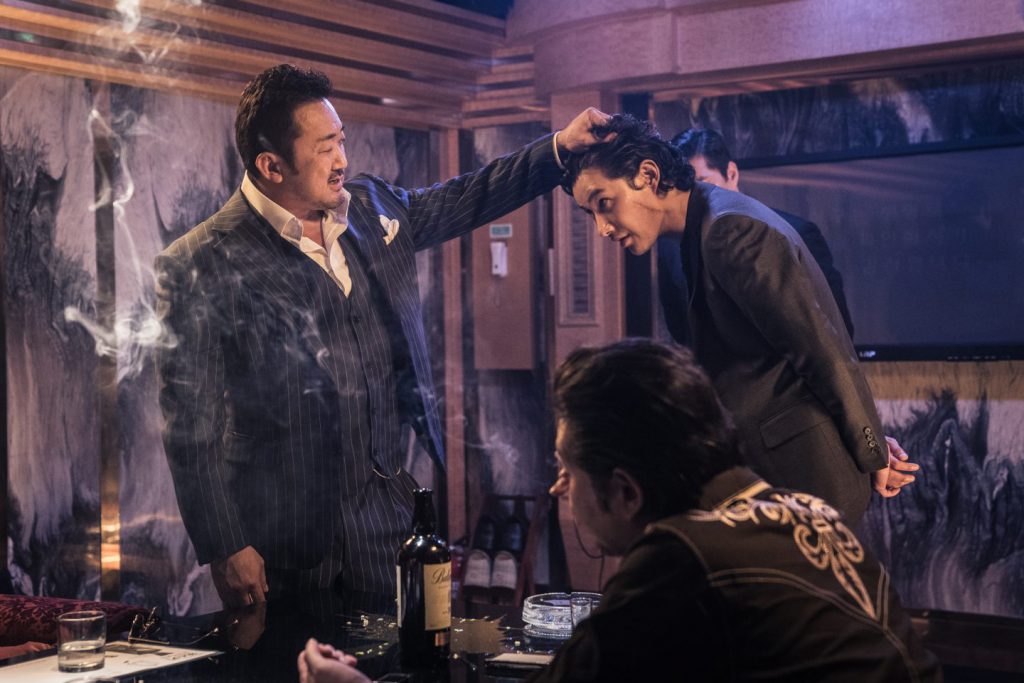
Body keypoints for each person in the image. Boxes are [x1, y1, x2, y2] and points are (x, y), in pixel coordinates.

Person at [155, 63, 610, 607]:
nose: (342, 160)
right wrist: (226, 546)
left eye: (341, 140)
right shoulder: (199, 262)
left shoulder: (372, 208)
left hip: (387, 517)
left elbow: (469, 195)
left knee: (402, 649)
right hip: (280, 537)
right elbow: (192, 427)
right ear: (271, 165)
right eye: (325, 147)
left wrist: (557, 149)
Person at [293, 340, 941, 682]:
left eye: (567, 470)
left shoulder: (682, 555)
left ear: (626, 491)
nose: (559, 489)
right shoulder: (805, 510)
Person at [562, 115, 917, 524]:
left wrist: (871, 450)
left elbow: (822, 350)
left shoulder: (729, 229)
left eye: (604, 204)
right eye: (591, 214)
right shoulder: (703, 225)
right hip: (776, 476)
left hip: (804, 480)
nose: (602, 228)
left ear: (648, 175)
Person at [664, 127, 855, 339]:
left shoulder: (795, 233)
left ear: (732, 174)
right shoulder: (673, 249)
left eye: (702, 185)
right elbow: (679, 329)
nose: (692, 198)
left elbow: (836, 327)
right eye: (683, 189)